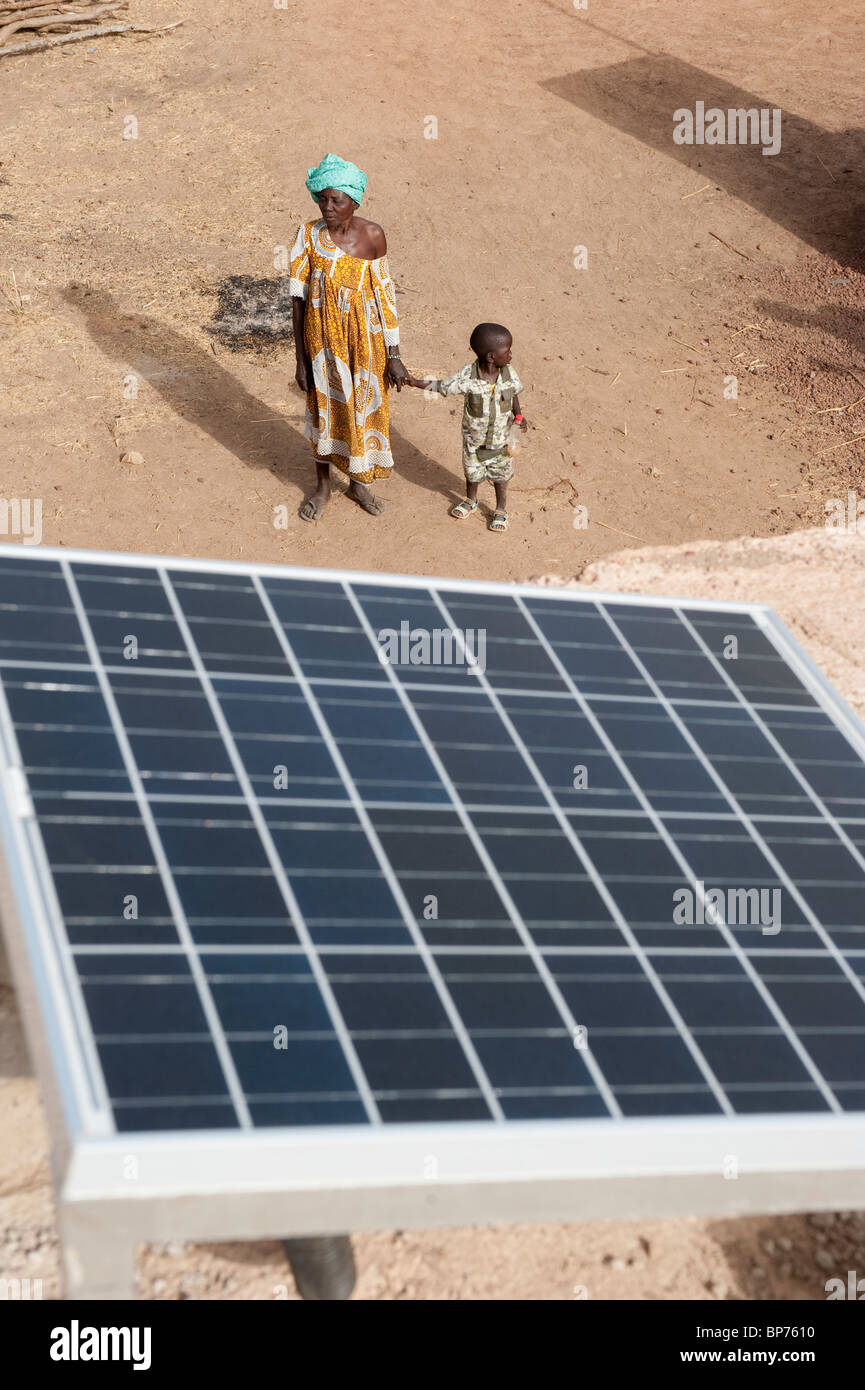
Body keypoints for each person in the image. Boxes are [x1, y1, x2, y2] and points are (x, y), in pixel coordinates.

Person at [290, 154, 409, 522]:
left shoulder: (373, 236)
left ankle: (359, 482)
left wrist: (394, 353)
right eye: (322, 198)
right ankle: (323, 487)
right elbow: (298, 300)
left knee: (364, 410)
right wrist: (300, 358)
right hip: (322, 343)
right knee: (325, 412)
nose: (327, 207)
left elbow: (383, 295)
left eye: (336, 200)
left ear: (354, 202)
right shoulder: (308, 236)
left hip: (366, 343)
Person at [406, 323, 527, 532]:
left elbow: (513, 392)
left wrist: (519, 415)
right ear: (490, 356)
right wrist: (414, 382)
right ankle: (471, 500)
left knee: (501, 475)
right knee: (472, 473)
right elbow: (442, 386)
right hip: (474, 442)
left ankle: (500, 510)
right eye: (507, 351)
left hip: (502, 440)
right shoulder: (467, 378)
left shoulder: (508, 373)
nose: (511, 355)